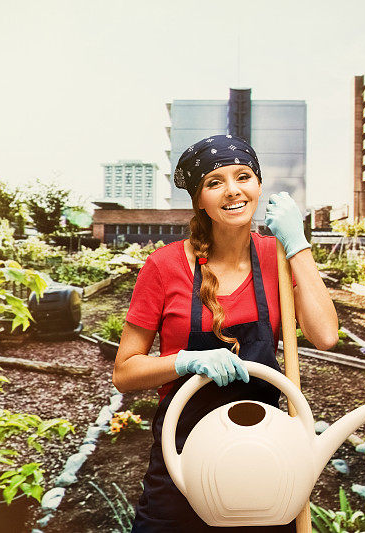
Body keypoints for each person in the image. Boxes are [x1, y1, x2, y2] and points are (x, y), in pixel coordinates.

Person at [112, 134, 338, 532]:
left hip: (264, 450)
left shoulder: (278, 258)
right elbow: (124, 373)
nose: (232, 190)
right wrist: (185, 360)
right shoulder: (164, 266)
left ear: (259, 185)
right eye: (214, 182)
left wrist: (298, 246)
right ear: (199, 200)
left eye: (243, 176)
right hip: (182, 453)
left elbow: (325, 336)